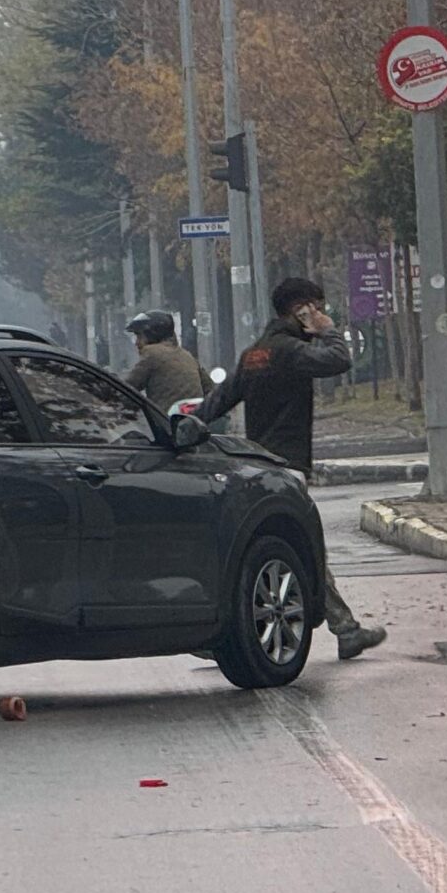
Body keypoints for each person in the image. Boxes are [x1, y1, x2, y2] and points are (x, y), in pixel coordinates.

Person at [197, 276, 387, 659]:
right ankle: (345, 630)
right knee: (303, 553)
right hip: (288, 467)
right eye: (317, 308)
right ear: (303, 310)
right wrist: (330, 333)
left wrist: (188, 428)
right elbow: (339, 360)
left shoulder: (255, 353)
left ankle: (343, 627)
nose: (322, 314)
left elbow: (217, 402)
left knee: (285, 550)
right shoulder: (289, 351)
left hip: (256, 465)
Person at [123, 310, 207, 411]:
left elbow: (127, 388)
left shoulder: (152, 354)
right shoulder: (187, 355)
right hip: (195, 420)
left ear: (152, 335)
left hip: (164, 421)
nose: (137, 343)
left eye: (139, 336)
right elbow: (210, 389)